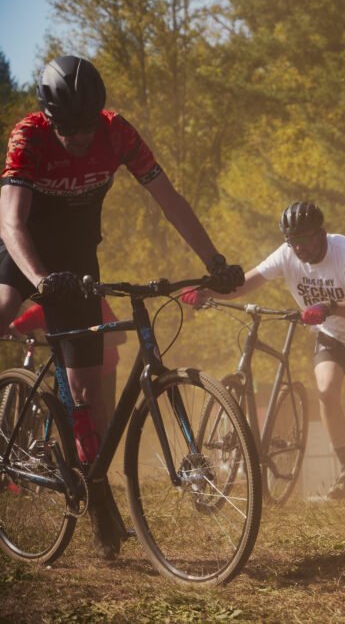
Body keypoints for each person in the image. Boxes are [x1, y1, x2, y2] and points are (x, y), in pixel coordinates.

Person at [0, 55, 245, 561]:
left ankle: (96, 495)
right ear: (49, 118)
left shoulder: (117, 132)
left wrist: (214, 260)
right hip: (23, 251)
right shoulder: (29, 136)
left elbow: (169, 199)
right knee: (2, 307)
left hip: (77, 259)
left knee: (89, 392)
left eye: (86, 125)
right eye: (68, 128)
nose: (79, 137)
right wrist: (39, 280)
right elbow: (12, 223)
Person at [183, 201, 345, 500]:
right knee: (327, 391)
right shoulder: (287, 254)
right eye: (292, 241)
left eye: (304, 239)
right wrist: (206, 292)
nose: (298, 247)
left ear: (322, 234)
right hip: (333, 334)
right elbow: (247, 282)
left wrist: (328, 307)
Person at [7, 299, 126, 430]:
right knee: (80, 425)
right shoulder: (45, 308)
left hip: (103, 372)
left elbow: (120, 336)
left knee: (102, 424)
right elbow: (13, 328)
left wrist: (79, 346)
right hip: (76, 374)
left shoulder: (94, 301)